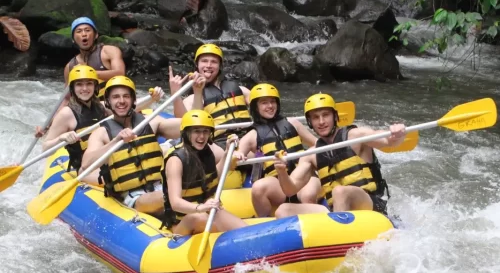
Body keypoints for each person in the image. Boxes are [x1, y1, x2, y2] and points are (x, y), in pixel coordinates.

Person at [273, 93, 406, 219]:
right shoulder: (311, 155)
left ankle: (339, 234)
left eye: (325, 115)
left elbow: (388, 142)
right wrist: (281, 171)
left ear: (335, 116)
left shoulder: (356, 136)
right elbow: (290, 190)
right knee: (283, 210)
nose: (321, 121)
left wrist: (397, 133)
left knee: (340, 192)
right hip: (336, 209)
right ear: (309, 122)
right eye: (315, 117)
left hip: (370, 204)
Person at [39, 67, 164, 184]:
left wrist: (152, 99)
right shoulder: (66, 114)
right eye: (79, 84)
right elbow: (45, 149)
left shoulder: (101, 106)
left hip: (111, 158)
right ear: (72, 88)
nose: (84, 88)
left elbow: (130, 107)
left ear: (95, 86)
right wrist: (62, 138)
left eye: (89, 83)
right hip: (88, 167)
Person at [82, 76, 179, 214]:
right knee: (174, 194)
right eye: (115, 97)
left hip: (160, 186)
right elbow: (86, 164)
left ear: (134, 100)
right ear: (108, 101)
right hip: (133, 196)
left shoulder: (151, 121)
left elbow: (186, 127)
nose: (121, 101)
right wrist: (115, 141)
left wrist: (177, 93)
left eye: (126, 96)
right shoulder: (101, 133)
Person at [232, 83, 321, 217]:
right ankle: (266, 223)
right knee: (258, 188)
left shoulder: (293, 123)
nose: (270, 106)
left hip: (304, 177)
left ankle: (314, 223)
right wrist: (236, 154)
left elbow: (316, 144)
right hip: (278, 184)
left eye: (273, 102)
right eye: (264, 103)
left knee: (308, 195)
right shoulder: (252, 135)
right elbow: (236, 156)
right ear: (255, 107)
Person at [162, 110, 247, 235]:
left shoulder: (206, 152)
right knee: (199, 218)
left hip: (210, 211)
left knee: (243, 231)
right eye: (196, 131)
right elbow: (175, 202)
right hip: (183, 222)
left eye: (205, 131)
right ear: (186, 133)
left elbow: (213, 178)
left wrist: (228, 153)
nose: (202, 136)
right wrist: (200, 208)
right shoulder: (176, 160)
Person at [169, 44, 251, 148]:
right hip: (219, 143)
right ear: (197, 65)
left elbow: (264, 106)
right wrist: (176, 93)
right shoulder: (192, 98)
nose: (209, 65)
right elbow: (182, 121)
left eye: (214, 62)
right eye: (204, 61)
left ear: (220, 66)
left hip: (248, 138)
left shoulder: (240, 90)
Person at [64, 17, 126, 99]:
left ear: (96, 35)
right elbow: (67, 97)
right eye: (79, 31)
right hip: (88, 107)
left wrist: (87, 73)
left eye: (87, 30)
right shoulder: (70, 66)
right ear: (73, 39)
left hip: (113, 102)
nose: (84, 34)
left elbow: (120, 73)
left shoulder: (109, 51)